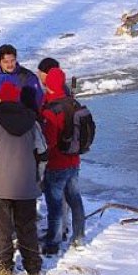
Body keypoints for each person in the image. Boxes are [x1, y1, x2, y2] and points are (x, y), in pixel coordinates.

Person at [0, 83, 48, 275]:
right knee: (27, 226)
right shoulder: (32, 121)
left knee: (1, 227)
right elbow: (43, 150)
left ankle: (5, 267)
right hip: (26, 184)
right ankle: (33, 266)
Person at [40, 67, 87, 255]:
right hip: (74, 161)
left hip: (56, 164)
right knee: (75, 200)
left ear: (48, 84)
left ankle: (54, 241)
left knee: (55, 204)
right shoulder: (73, 103)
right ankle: (79, 237)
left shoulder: (51, 111)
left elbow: (48, 142)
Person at [0, 44, 44, 121]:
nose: (10, 64)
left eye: (12, 60)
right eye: (6, 62)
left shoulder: (27, 77)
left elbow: (38, 101)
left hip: (21, 121)